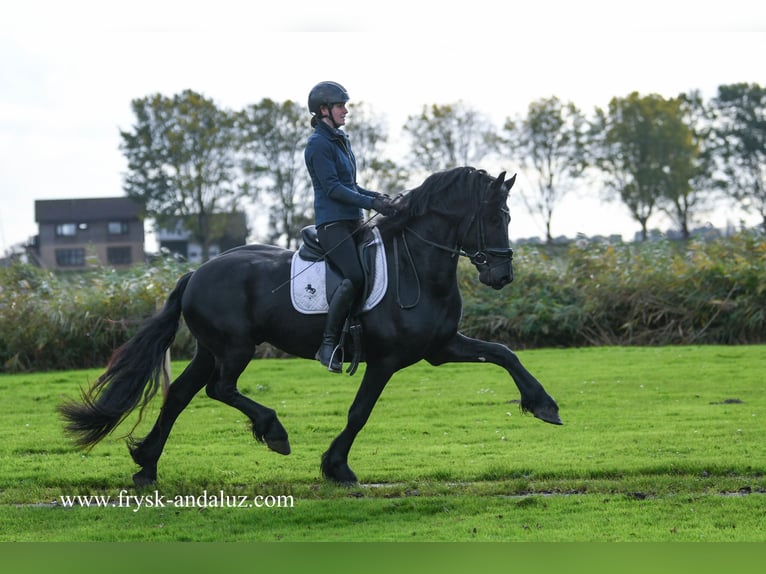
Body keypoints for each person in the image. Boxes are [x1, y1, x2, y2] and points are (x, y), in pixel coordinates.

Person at [304, 81, 398, 373]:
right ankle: (328, 344)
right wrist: (371, 204)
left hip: (354, 221)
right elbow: (333, 189)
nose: (346, 111)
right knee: (355, 276)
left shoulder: (340, 140)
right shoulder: (318, 144)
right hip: (333, 224)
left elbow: (352, 185)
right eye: (340, 105)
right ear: (324, 110)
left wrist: (377, 198)